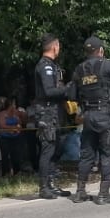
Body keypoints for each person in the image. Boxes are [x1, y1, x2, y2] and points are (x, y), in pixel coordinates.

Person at [68, 36, 110, 204]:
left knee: (86, 155)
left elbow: (71, 95)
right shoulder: (107, 65)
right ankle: (103, 193)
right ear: (101, 50)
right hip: (106, 116)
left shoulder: (79, 69)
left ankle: (80, 191)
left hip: (88, 117)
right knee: (108, 153)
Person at [32, 33, 72, 199]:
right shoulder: (45, 66)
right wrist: (67, 89)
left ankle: (52, 183)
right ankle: (43, 187)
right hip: (46, 113)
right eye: (59, 46)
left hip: (55, 113)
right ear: (54, 46)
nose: (59, 49)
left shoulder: (53, 66)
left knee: (57, 148)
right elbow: (49, 91)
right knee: (48, 149)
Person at [0, 96, 24, 176]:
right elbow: (2, 125)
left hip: (15, 137)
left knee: (16, 155)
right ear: (9, 104)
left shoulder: (16, 113)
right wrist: (13, 128)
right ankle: (6, 173)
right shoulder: (1, 113)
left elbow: (20, 122)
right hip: (4, 138)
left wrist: (18, 126)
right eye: (14, 104)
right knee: (5, 156)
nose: (15, 106)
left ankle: (17, 172)